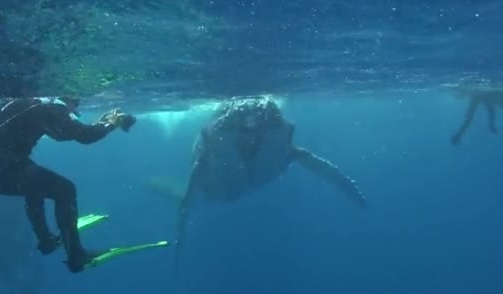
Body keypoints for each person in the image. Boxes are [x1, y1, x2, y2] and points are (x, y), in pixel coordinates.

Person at [147, 97, 366, 267]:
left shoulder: (233, 132)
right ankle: (164, 187)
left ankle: (165, 188)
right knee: (197, 197)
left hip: (237, 183)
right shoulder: (261, 131)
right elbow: (325, 171)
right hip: (219, 189)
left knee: (194, 197)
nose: (250, 131)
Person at [0, 96, 136, 273]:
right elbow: (85, 136)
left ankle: (46, 240)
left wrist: (103, 123)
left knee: (34, 180)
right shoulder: (53, 106)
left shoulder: (28, 102)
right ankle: (76, 257)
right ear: (67, 97)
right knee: (65, 190)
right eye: (77, 103)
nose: (75, 110)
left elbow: (63, 132)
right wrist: (112, 123)